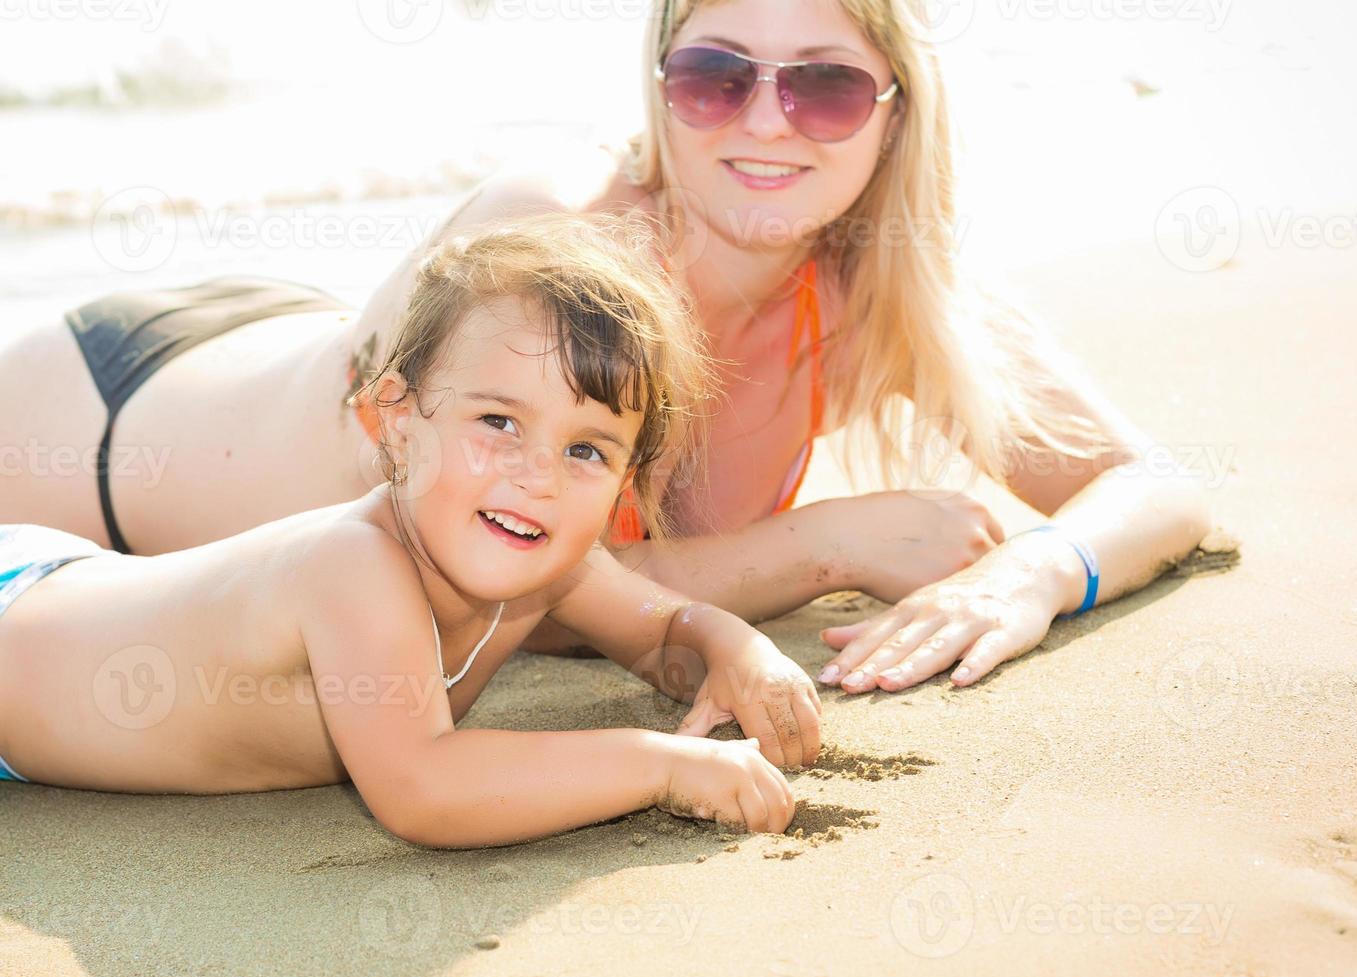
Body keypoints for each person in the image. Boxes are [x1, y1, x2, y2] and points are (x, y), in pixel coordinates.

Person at [0, 0, 1210, 696]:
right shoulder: (564, 229)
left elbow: (1156, 486)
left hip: (281, 332)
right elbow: (487, 576)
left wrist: (1036, 571)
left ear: (895, 110)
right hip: (110, 422)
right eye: (715, 76)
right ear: (658, 86)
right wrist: (820, 544)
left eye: (827, 88)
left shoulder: (891, 293)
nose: (766, 121)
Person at [0, 215, 822, 848]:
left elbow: (664, 630)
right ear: (392, 421)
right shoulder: (352, 565)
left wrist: (738, 653)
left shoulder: (549, 563)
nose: (536, 474)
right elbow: (423, 789)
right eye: (498, 421)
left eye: (585, 448)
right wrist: (662, 765)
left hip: (74, 581)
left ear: (624, 482)